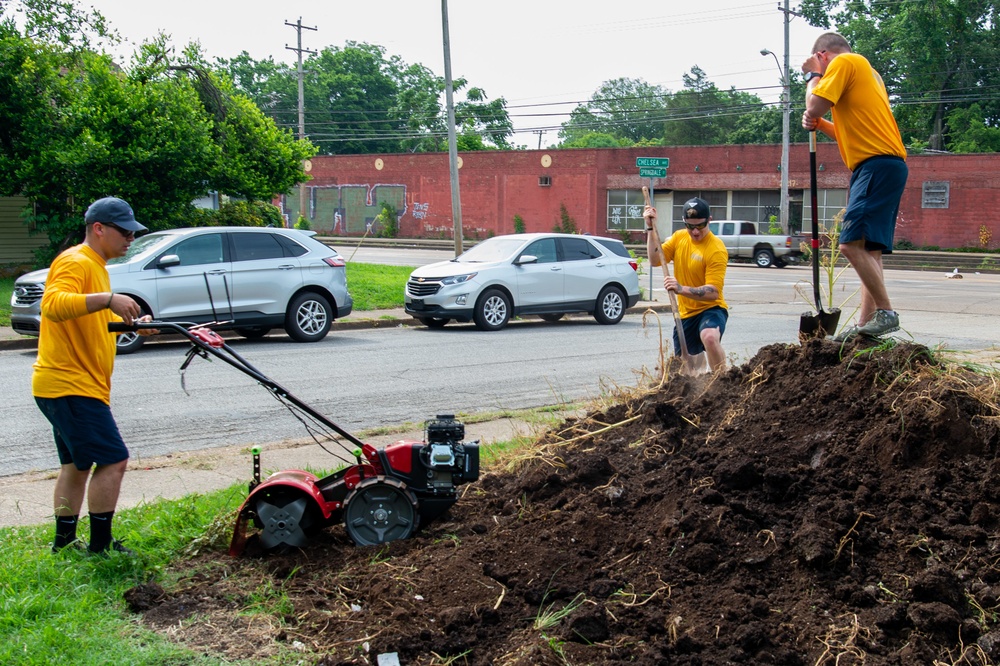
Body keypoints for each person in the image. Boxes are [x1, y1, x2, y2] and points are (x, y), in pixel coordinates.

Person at [33, 196, 156, 555]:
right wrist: (107, 298)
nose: (130, 238)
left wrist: (131, 326)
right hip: (70, 383)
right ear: (99, 229)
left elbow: (90, 325)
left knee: (76, 464)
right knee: (114, 459)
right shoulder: (75, 261)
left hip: (65, 385)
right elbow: (53, 307)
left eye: (134, 233)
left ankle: (65, 543)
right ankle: (100, 548)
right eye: (125, 232)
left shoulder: (96, 266)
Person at [801, 32, 908, 342]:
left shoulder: (844, 62)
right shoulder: (868, 72)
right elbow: (852, 129)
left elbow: (814, 104)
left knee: (850, 244)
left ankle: (886, 313)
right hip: (886, 165)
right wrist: (821, 125)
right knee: (870, 251)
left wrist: (812, 76)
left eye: (819, 62)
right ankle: (867, 329)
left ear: (823, 55)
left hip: (874, 165)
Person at [644, 196, 729, 374]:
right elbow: (654, 259)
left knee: (710, 337)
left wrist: (681, 289)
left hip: (711, 308)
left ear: (709, 221)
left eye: (700, 226)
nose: (695, 231)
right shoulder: (679, 238)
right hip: (685, 315)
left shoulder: (716, 249)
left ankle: (723, 381)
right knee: (688, 372)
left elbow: (713, 292)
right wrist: (651, 228)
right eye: (690, 226)